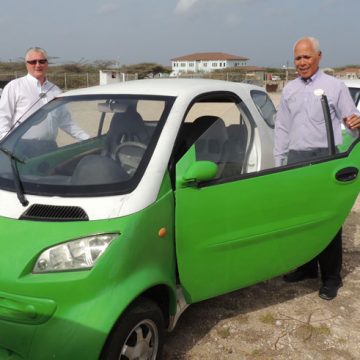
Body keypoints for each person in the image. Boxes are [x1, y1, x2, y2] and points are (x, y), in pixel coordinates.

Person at [274, 36, 360, 300]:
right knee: (301, 218)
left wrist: (357, 125)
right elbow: (282, 129)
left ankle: (331, 277)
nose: (302, 63)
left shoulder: (335, 87)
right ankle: (307, 267)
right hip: (298, 160)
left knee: (327, 220)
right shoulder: (289, 90)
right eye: (298, 58)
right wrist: (279, 163)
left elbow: (351, 122)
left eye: (307, 57)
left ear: (319, 57)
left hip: (326, 161)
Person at [0, 47, 89, 154]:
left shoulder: (56, 90)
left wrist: (87, 139)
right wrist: (7, 146)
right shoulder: (14, 87)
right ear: (26, 64)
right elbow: (3, 118)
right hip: (21, 148)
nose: (38, 65)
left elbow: (65, 121)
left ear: (47, 64)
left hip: (50, 147)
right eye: (33, 62)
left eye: (42, 61)